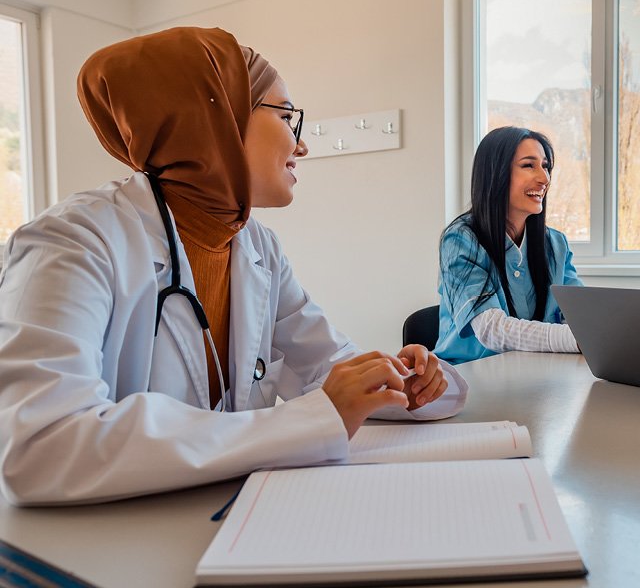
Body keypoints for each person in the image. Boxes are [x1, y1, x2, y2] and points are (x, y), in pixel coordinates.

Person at [0, 27, 467, 505]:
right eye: (287, 117)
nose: (301, 146)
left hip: (225, 517)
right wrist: (314, 418)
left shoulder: (257, 246)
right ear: (215, 119)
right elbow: (42, 446)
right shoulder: (71, 242)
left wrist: (414, 383)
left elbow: (330, 368)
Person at [434, 126, 583, 365]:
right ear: (495, 173)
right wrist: (576, 340)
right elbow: (491, 329)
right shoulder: (460, 240)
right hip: (469, 379)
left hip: (535, 375)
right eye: (528, 165)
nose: (544, 178)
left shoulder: (556, 244)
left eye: (545, 166)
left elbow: (581, 316)